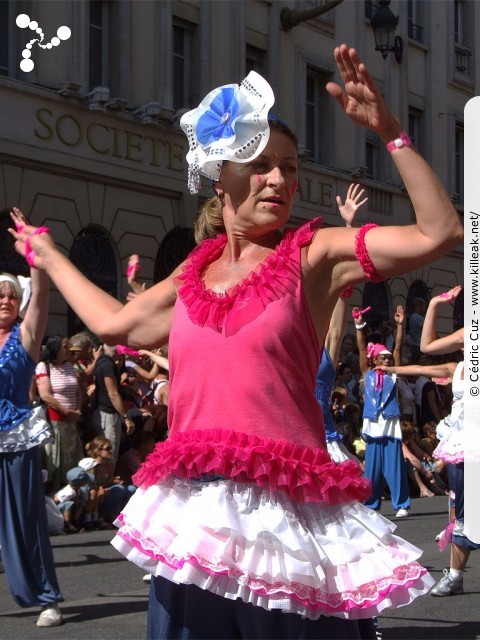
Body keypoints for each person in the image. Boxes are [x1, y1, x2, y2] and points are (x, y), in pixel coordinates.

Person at [10, 44, 463, 639]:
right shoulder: (192, 273)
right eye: (260, 163)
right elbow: (117, 325)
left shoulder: (314, 254)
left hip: (281, 529)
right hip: (196, 519)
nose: (280, 178)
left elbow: (439, 232)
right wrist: (48, 254)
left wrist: (390, 130)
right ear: (219, 175)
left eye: (291, 166)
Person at [0, 209, 64, 627]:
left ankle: (47, 597)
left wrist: (35, 253)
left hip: (17, 439)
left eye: (10, 295)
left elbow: (40, 296)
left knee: (26, 519)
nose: (5, 300)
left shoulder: (25, 337)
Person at [315, 182, 366, 463]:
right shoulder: (286, 352)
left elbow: (341, 306)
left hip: (324, 441)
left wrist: (350, 228)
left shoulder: (326, 352)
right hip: (290, 440)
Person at [355, 313, 411, 518]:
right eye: (383, 357)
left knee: (395, 465)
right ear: (374, 359)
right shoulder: (366, 374)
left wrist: (400, 325)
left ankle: (402, 504)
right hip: (372, 423)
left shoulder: (393, 374)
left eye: (389, 357)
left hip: (389, 423)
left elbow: (398, 347)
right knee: (372, 468)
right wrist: (359, 326)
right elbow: (361, 348)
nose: (387, 359)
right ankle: (371, 503)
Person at [35, 334, 83, 492]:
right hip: (55, 422)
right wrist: (66, 411)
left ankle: (71, 495)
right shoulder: (44, 366)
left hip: (71, 422)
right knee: (56, 462)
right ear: (54, 348)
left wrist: (78, 409)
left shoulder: (70, 366)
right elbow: (45, 395)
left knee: (71, 460)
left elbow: (78, 390)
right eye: (65, 347)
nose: (68, 350)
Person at [92, 344, 136, 463]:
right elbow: (113, 394)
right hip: (108, 415)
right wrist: (126, 417)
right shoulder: (107, 364)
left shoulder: (103, 360)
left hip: (105, 414)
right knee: (108, 456)